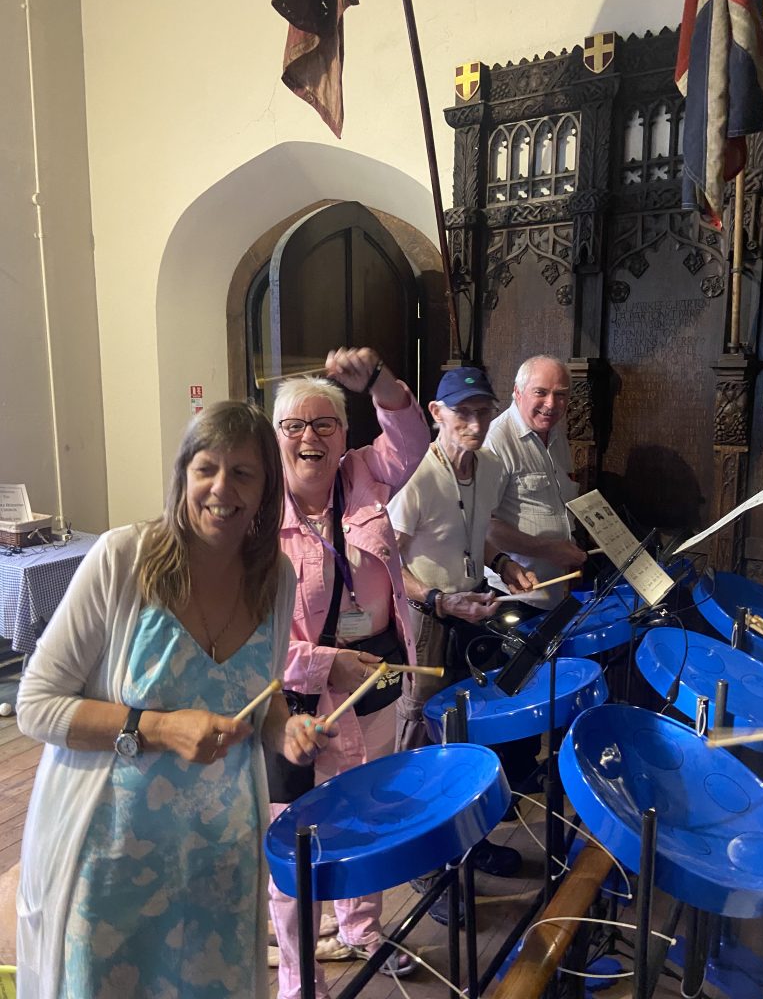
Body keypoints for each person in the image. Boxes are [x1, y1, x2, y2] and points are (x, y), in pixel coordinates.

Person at [15, 401, 334, 999]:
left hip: (220, 862)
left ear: (267, 488)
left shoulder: (276, 579)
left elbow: (260, 697)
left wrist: (284, 730)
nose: (221, 488)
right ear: (182, 473)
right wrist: (157, 728)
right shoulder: (123, 560)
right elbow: (36, 703)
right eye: (205, 468)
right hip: (112, 861)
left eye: (243, 473)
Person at [268, 347, 430, 999]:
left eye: (325, 424)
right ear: (277, 435)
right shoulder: (255, 516)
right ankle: (297, 977)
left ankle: (362, 931)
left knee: (367, 812)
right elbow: (250, 637)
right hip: (297, 699)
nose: (310, 437)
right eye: (295, 426)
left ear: (344, 434)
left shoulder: (367, 474)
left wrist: (381, 384)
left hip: (380, 676)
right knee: (295, 836)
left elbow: (414, 442)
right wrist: (325, 660)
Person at [387, 366, 538, 901]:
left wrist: (506, 564)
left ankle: (471, 843)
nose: (474, 423)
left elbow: (474, 536)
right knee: (424, 737)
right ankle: (426, 865)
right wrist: (438, 600)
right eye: (462, 412)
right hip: (428, 615)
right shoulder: (413, 477)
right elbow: (387, 565)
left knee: (474, 731)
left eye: (483, 411)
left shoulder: (491, 467)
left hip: (476, 602)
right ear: (436, 413)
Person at [485, 354, 586, 609]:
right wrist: (549, 549)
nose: (551, 404)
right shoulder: (496, 441)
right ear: (518, 393)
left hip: (554, 587)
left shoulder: (556, 434)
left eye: (560, 395)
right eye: (540, 392)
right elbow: (484, 526)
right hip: (514, 592)